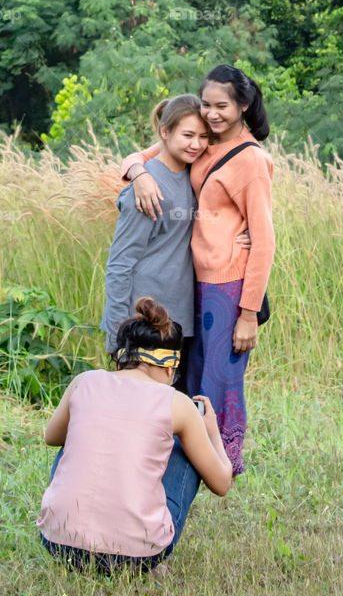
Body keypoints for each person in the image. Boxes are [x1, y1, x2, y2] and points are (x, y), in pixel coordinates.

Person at [121, 65, 274, 475]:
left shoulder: (252, 160)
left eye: (221, 106)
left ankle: (223, 468)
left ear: (243, 105)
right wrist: (138, 176)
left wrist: (248, 314)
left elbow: (264, 240)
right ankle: (185, 463)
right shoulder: (204, 145)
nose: (211, 114)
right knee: (193, 378)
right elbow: (142, 154)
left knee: (219, 385)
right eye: (206, 104)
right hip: (198, 285)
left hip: (229, 287)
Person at [37, 297, 232, 574]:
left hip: (58, 544)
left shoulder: (85, 382)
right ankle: (148, 549)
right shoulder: (177, 404)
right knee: (183, 445)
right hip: (137, 556)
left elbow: (51, 436)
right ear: (169, 368)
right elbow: (222, 483)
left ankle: (76, 530)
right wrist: (211, 432)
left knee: (71, 438)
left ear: (122, 359)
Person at [101, 94, 205, 391]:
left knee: (173, 412)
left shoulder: (193, 176)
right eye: (188, 135)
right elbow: (120, 263)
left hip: (180, 318)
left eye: (202, 136)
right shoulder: (146, 188)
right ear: (165, 132)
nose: (195, 144)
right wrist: (118, 333)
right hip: (143, 322)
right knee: (140, 413)